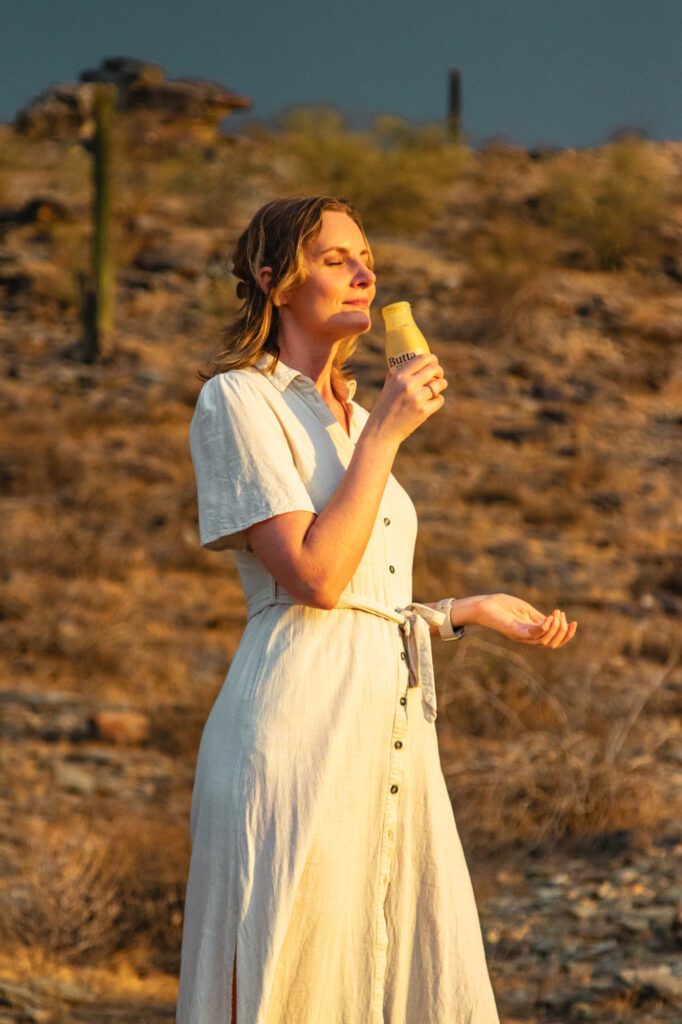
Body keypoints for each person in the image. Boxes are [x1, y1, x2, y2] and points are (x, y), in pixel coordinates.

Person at [175, 195, 577, 1024]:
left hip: (387, 730)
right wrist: (388, 437)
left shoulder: (358, 419)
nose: (364, 273)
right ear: (273, 281)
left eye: (367, 259)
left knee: (397, 964)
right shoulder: (239, 402)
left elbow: (363, 593)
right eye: (335, 258)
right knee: (300, 970)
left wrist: (461, 609)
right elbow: (315, 579)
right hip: (293, 731)